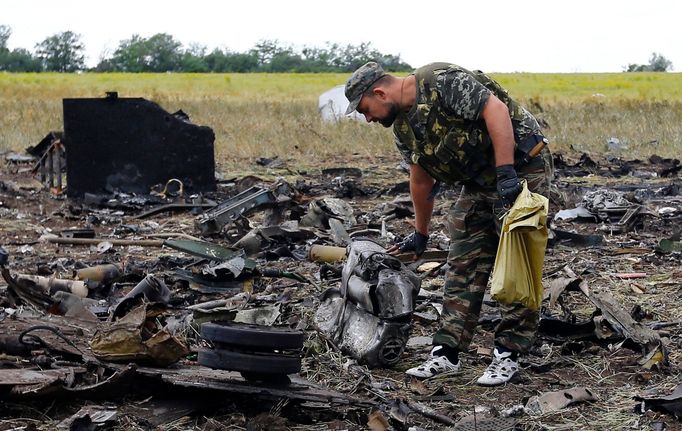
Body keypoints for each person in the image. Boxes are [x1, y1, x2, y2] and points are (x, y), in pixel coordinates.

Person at [344, 61, 553, 386]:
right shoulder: (402, 127)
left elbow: (495, 110)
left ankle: (508, 354)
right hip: (480, 181)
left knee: (516, 260)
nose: (368, 118)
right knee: (463, 259)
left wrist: (507, 174)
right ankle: (446, 352)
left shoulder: (439, 81)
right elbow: (421, 179)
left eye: (365, 109)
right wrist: (421, 233)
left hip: (521, 167)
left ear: (379, 92)